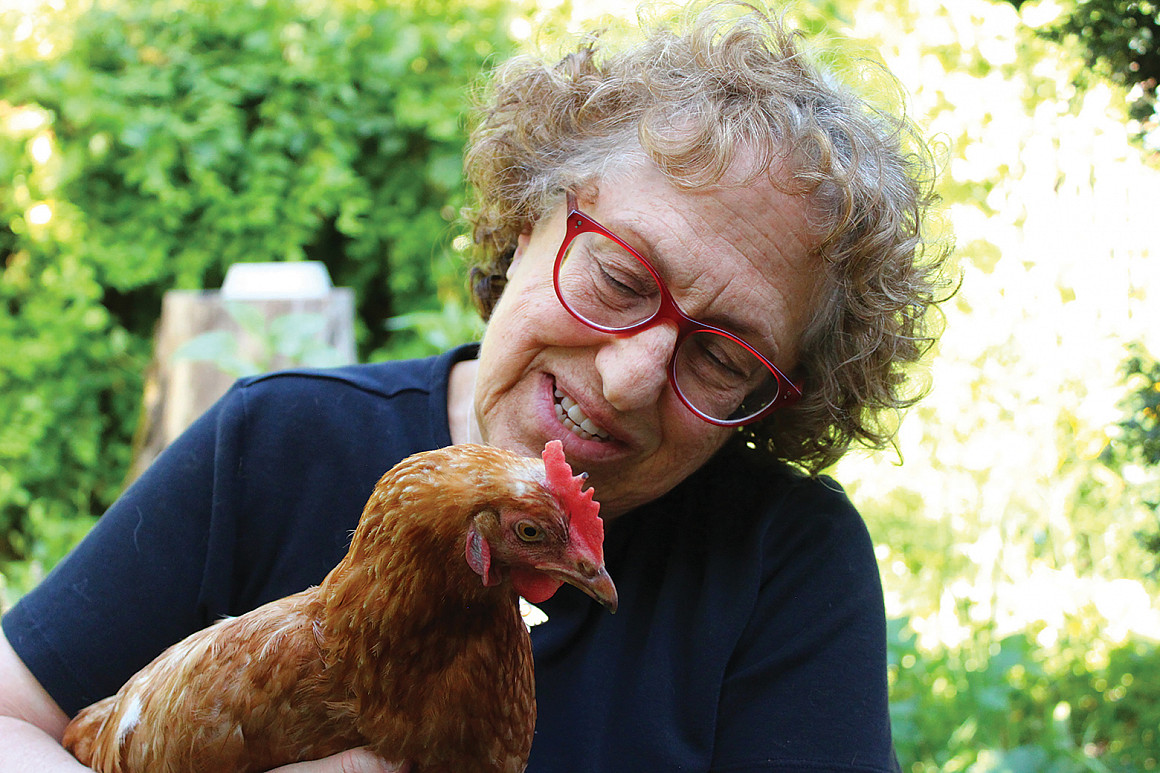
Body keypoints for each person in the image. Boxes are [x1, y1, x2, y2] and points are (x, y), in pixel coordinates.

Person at [0, 2, 949, 771]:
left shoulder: (782, 562)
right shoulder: (274, 441)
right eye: (620, 279)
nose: (626, 379)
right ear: (528, 213)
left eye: (723, 356)